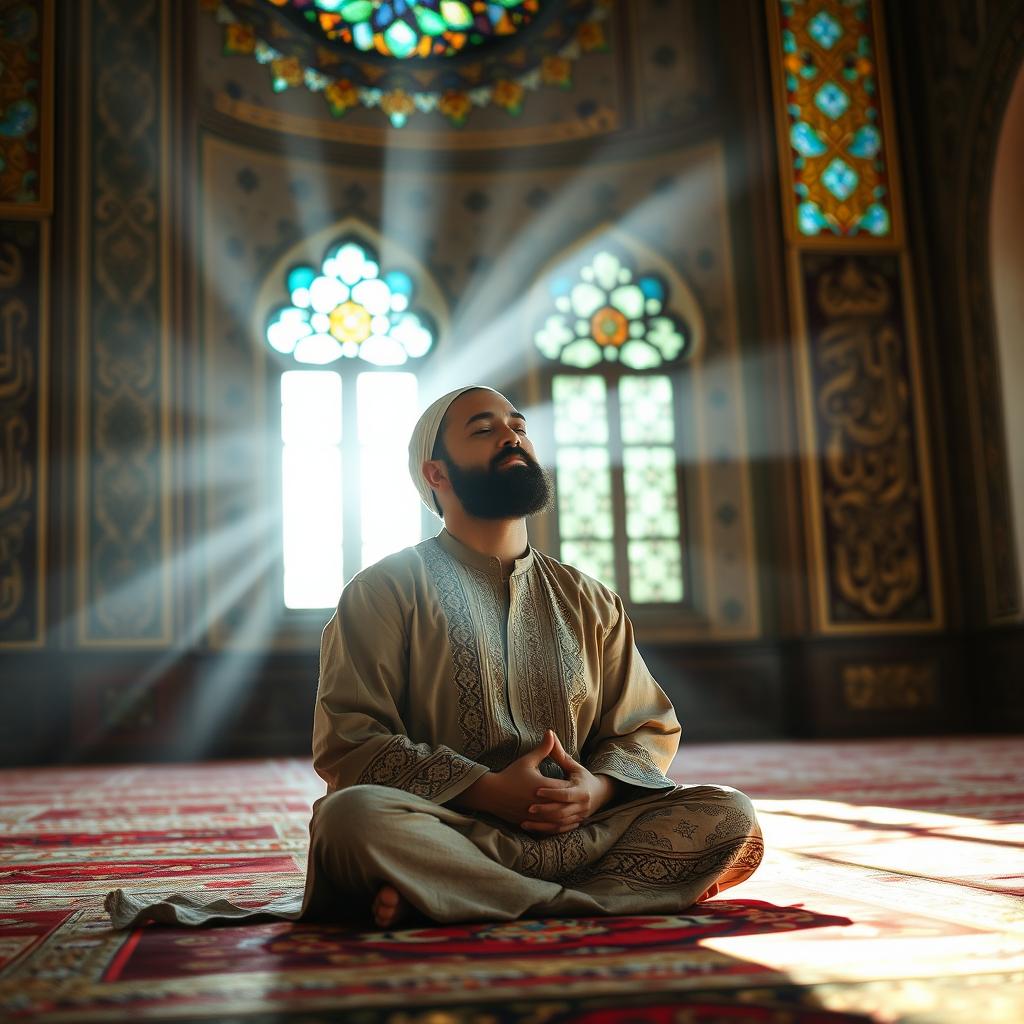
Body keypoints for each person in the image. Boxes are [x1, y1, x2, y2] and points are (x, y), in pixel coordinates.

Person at [105, 384, 762, 930]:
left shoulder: (590, 600)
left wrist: (595, 789)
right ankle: (547, 902)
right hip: (448, 831)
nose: (512, 437)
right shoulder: (384, 591)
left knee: (730, 815)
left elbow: (643, 728)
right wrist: (490, 791)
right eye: (485, 429)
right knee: (349, 820)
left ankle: (443, 898)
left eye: (519, 427)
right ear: (436, 473)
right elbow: (350, 744)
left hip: (578, 836)